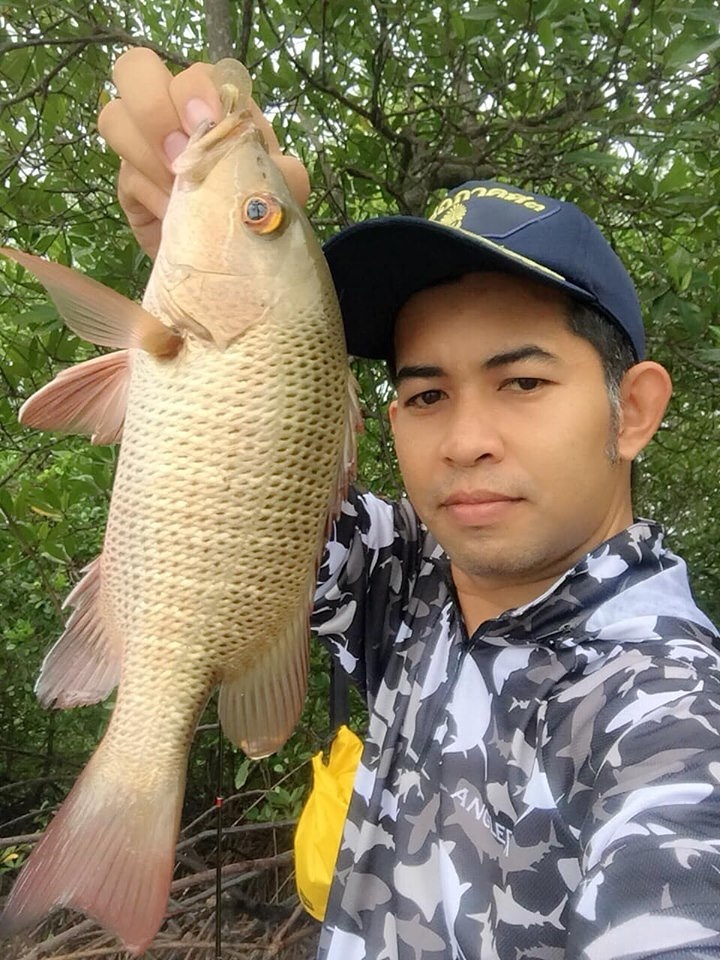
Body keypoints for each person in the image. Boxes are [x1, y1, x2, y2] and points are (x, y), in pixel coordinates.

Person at [99, 49, 720, 960]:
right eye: (427, 395)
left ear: (632, 411)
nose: (465, 439)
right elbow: (237, 503)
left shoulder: (669, 721)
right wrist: (210, 279)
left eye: (522, 383)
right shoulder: (414, 583)